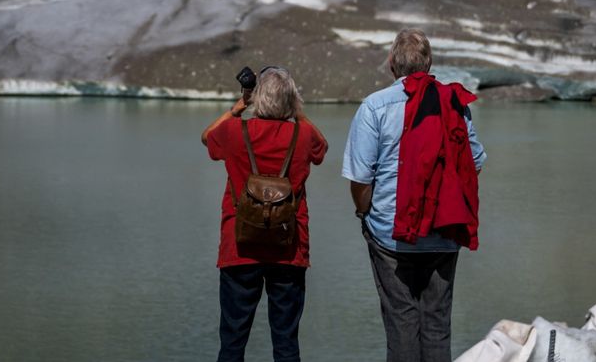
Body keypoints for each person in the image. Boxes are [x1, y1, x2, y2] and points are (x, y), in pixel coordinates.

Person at [343, 29, 487, 362]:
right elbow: (474, 162)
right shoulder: (453, 102)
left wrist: (365, 214)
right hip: (444, 230)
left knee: (401, 321)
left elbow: (360, 179)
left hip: (391, 236)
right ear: (429, 63)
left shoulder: (374, 106)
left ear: (392, 64)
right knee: (437, 324)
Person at [202, 66, 328, 362]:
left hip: (240, 246)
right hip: (288, 248)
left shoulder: (234, 132)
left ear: (258, 97)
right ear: (291, 100)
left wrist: (239, 107)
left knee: (232, 342)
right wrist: (297, 112)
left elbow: (207, 138)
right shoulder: (303, 134)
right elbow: (322, 147)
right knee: (286, 342)